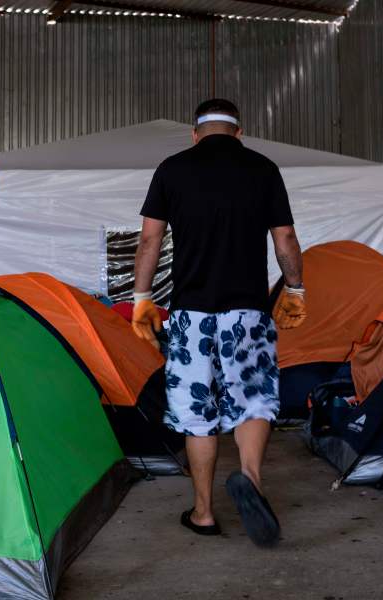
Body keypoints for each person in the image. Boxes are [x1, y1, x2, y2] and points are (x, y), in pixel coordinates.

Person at [131, 98, 306, 547]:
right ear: (239, 131)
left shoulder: (172, 168)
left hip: (190, 315)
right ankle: (250, 478)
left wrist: (141, 298)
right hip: (247, 311)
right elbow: (284, 236)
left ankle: (204, 512)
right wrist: (295, 289)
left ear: (196, 132)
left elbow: (150, 238)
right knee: (253, 399)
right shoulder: (262, 168)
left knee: (197, 414)